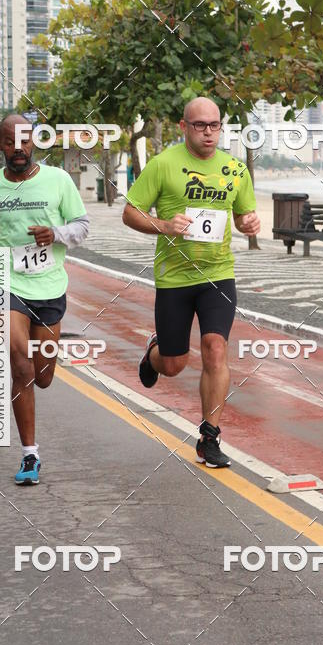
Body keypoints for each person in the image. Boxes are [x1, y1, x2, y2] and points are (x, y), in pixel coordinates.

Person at [123, 97, 260, 468]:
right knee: (174, 364)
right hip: (174, 279)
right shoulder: (163, 164)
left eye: (214, 125)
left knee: (215, 348)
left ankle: (209, 437)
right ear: (183, 127)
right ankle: (156, 352)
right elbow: (130, 212)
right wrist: (164, 226)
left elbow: (245, 214)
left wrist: (250, 224)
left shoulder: (234, 169)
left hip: (218, 275)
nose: (208, 132)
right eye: (200, 125)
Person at [0, 114, 89, 485]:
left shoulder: (59, 181)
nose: (18, 148)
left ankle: (40, 372)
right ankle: (30, 454)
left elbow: (82, 225)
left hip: (49, 287)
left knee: (44, 377)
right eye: (9, 141)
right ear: (0, 145)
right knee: (21, 367)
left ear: (34, 143)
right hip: (8, 284)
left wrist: (57, 233)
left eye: (25, 140)